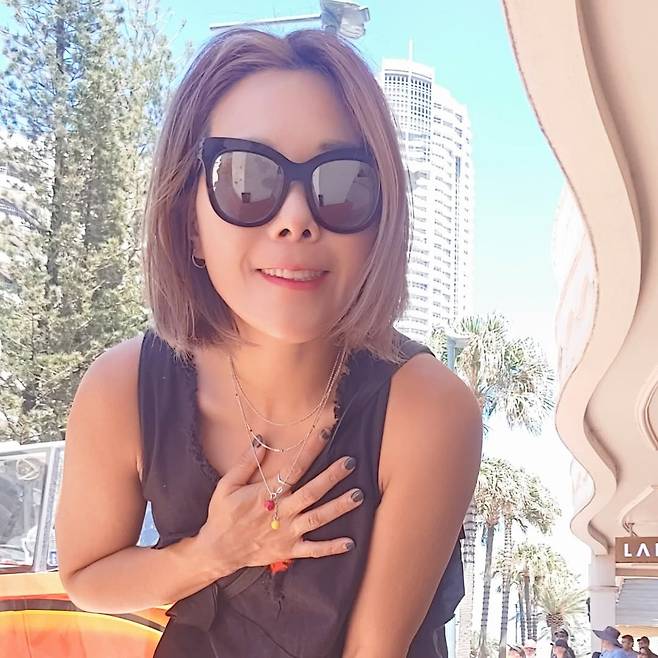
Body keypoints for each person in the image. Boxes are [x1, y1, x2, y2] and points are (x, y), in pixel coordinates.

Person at [54, 27, 483, 658]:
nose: (296, 218)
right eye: (247, 180)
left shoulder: (429, 408)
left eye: (343, 184)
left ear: (381, 221)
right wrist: (213, 553)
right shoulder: (121, 389)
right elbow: (87, 578)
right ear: (189, 221)